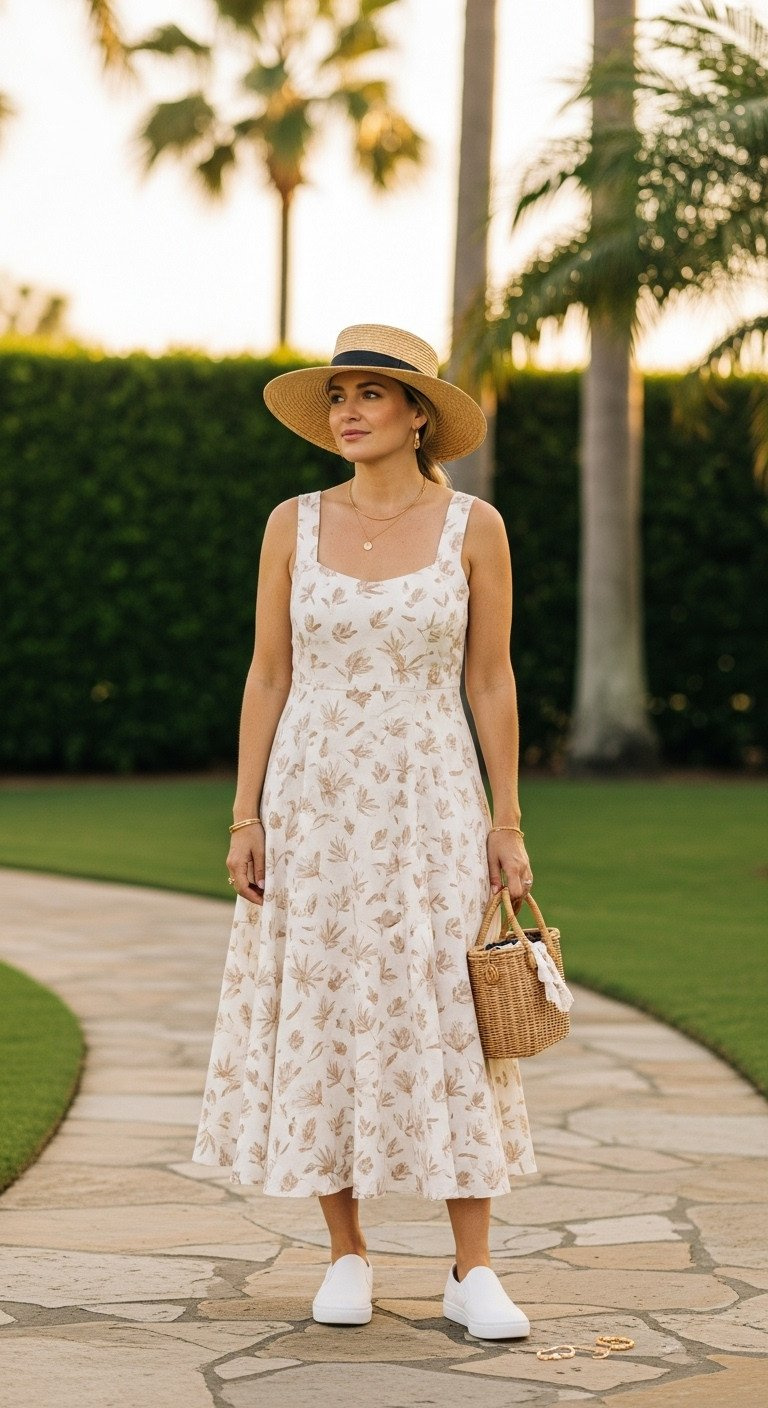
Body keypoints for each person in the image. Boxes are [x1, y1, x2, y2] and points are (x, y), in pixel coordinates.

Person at [192, 324, 537, 1340]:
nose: (348, 411)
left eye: (371, 395)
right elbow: (267, 673)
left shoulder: (476, 525)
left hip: (433, 796)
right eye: (339, 394)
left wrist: (506, 819)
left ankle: (474, 1269)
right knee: (326, 999)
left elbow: (490, 678)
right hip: (313, 800)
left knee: (448, 1010)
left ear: (418, 414)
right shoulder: (290, 523)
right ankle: (346, 1249)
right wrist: (246, 812)